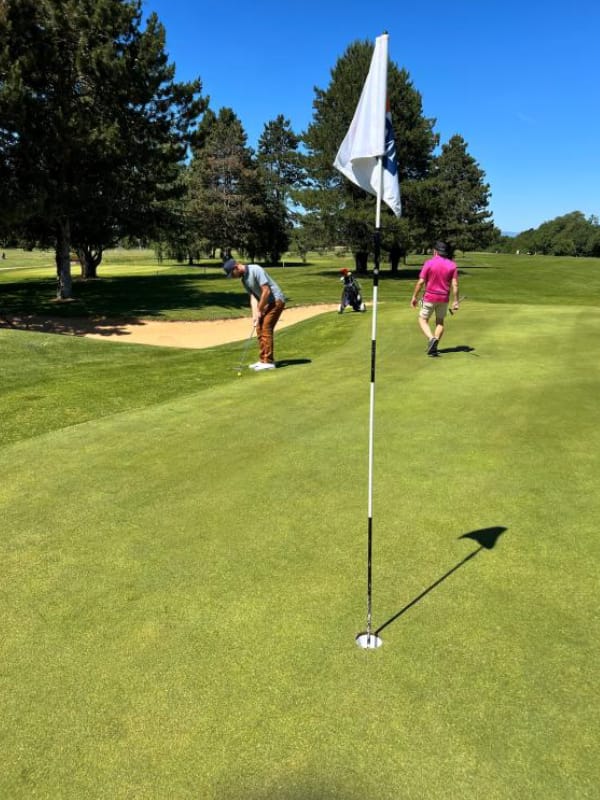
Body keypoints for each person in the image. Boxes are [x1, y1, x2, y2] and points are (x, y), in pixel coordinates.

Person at [223, 258, 287, 370]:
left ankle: (269, 361)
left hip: (276, 300)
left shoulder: (255, 269)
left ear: (236, 267)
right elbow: (253, 297)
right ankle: (263, 360)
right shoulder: (244, 280)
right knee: (258, 327)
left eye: (232, 274)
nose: (232, 277)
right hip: (266, 304)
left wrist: (259, 309)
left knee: (266, 327)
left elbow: (266, 291)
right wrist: (254, 315)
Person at [410, 241, 459, 356]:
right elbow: (455, 285)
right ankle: (434, 344)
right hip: (444, 298)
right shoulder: (452, 265)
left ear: (435, 251)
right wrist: (456, 301)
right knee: (440, 322)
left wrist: (414, 297)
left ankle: (432, 338)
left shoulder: (429, 263)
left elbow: (421, 282)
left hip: (430, 297)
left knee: (422, 319)